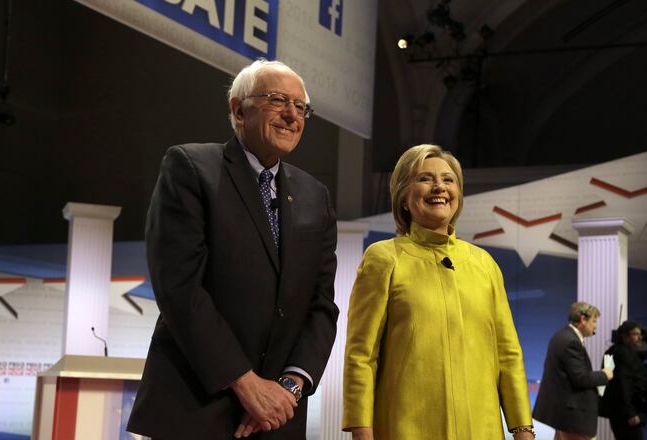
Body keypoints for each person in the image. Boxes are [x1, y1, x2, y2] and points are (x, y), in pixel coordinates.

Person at [127, 59, 339, 439]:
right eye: (278, 101)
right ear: (239, 109)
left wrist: (288, 388)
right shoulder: (191, 168)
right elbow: (180, 288)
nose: (293, 115)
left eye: (301, 107)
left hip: (277, 419)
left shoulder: (315, 196)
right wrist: (246, 384)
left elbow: (321, 306)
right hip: (196, 409)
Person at [342, 144, 535, 440]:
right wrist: (361, 428)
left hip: (481, 430)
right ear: (404, 198)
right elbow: (361, 354)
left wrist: (522, 427)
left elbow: (508, 354)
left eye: (448, 180)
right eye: (425, 179)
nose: (439, 188)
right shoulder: (383, 258)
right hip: (406, 428)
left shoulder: (484, 264)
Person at [533, 302, 614, 440]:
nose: (595, 325)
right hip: (572, 416)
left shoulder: (561, 336)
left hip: (562, 415)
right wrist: (605, 374)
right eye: (594, 321)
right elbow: (580, 378)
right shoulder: (572, 341)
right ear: (583, 319)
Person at [600, 320, 647, 440]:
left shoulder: (610, 352)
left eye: (640, 334)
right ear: (624, 336)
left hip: (618, 413)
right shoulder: (623, 354)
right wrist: (631, 413)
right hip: (627, 415)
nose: (639, 337)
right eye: (635, 334)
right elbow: (621, 385)